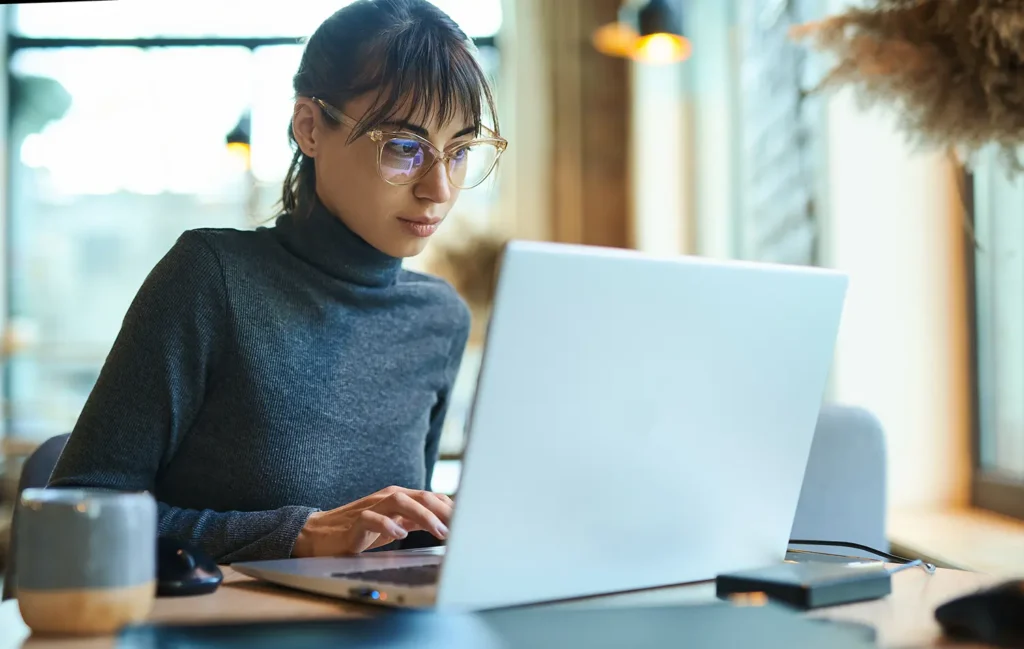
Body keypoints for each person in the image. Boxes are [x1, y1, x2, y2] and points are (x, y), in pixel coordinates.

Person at [47, 0, 507, 564]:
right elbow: (77, 513)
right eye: (405, 148)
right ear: (310, 128)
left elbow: (398, 545)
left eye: (460, 151)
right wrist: (297, 534)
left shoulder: (439, 319)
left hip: (377, 627)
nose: (439, 189)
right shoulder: (210, 277)